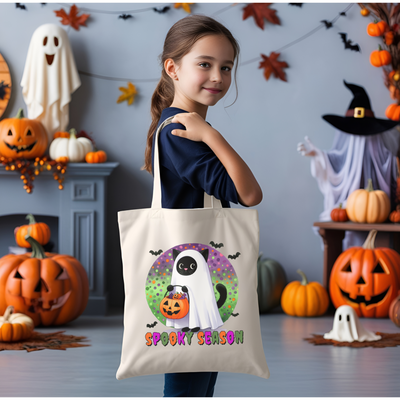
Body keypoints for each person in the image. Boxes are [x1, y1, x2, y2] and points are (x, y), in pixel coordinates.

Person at [142, 14, 262, 397]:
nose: (218, 76)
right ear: (172, 68)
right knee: (189, 376)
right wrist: (211, 134)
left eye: (226, 67)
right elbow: (250, 194)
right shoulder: (183, 131)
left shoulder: (176, 124)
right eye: (204, 64)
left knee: (195, 371)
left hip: (193, 273)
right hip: (191, 277)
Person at [297, 80, 399, 249]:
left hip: (379, 213)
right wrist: (318, 156)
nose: (360, 140)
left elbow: (391, 166)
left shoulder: (384, 156)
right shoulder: (344, 150)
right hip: (348, 211)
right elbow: (336, 161)